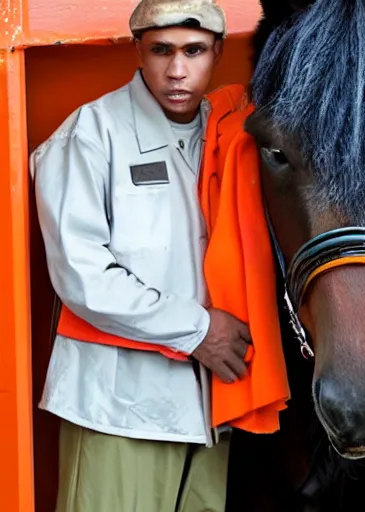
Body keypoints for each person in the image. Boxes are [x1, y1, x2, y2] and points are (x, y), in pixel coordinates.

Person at [30, 1, 252, 510]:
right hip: (116, 409)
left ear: (218, 51)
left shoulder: (229, 138)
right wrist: (199, 330)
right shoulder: (90, 133)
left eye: (194, 51)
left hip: (211, 410)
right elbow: (83, 277)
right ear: (138, 50)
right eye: (161, 51)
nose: (177, 71)